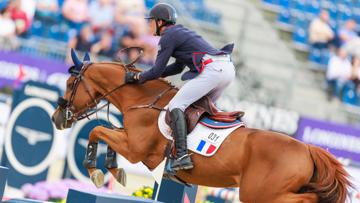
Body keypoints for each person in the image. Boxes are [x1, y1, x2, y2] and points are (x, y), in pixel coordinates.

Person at [124, 3, 236, 171]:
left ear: (160, 22)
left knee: (177, 105)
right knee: (197, 111)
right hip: (226, 69)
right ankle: (197, 152)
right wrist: (149, 75)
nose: (149, 24)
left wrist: (138, 76)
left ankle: (182, 155)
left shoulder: (168, 36)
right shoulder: (178, 33)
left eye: (151, 21)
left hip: (214, 70)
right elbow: (177, 67)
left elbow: (156, 71)